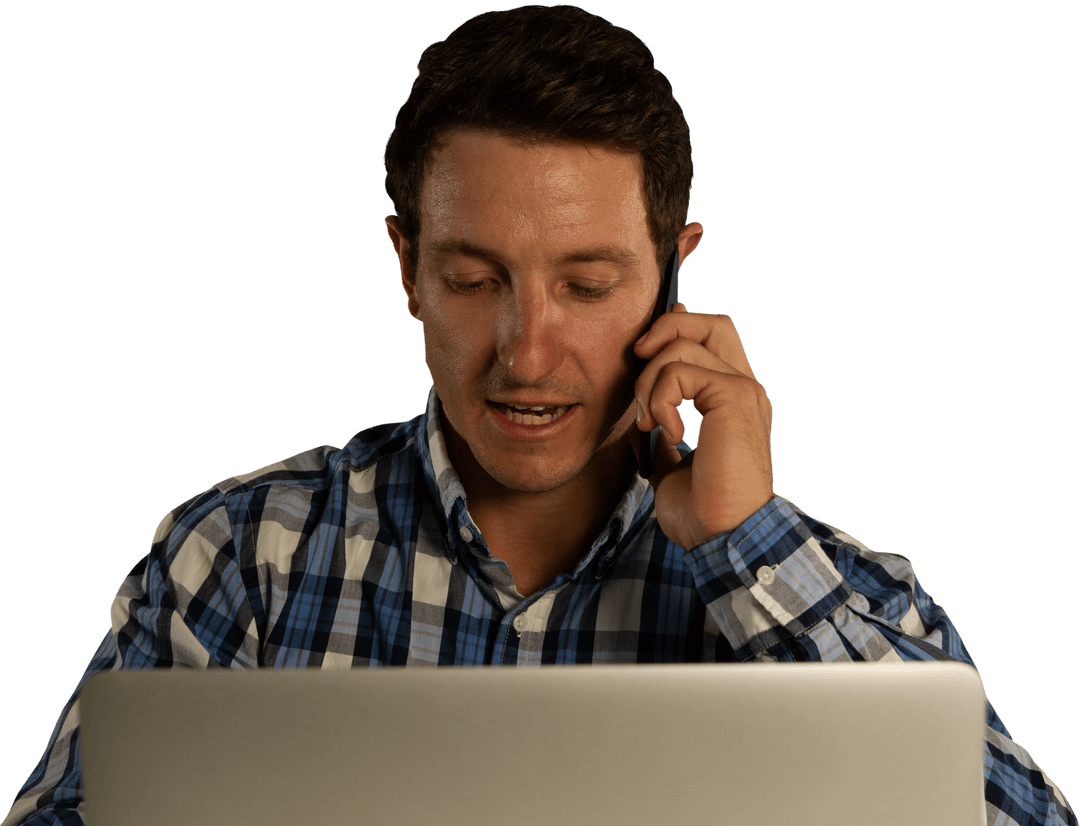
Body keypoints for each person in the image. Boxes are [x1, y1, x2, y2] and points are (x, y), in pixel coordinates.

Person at [3, 6, 1074, 825]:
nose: (527, 350)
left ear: (672, 280)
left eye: (590, 283)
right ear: (407, 268)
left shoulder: (848, 604)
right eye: (474, 278)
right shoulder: (241, 560)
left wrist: (747, 547)